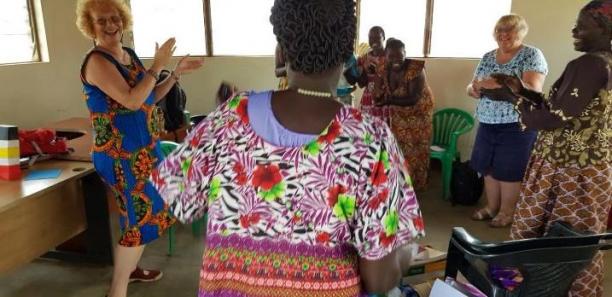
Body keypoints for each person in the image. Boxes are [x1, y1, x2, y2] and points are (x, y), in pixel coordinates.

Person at [152, 0, 424, 296]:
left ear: (281, 47)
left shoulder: (229, 117)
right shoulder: (370, 140)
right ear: (348, 52)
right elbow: (380, 280)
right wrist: (405, 250)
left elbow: (177, 195)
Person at [481, 1, 611, 295]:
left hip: (567, 171)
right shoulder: (606, 62)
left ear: (604, 29)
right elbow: (566, 110)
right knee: (581, 242)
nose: (574, 30)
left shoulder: (589, 64)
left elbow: (552, 118)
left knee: (543, 238)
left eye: (582, 25)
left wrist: (510, 99)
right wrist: (522, 90)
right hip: (593, 169)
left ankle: (530, 290)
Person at [75, 0, 204, 296]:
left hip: (144, 149)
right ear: (89, 26)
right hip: (119, 156)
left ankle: (131, 270)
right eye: (101, 21)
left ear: (123, 20)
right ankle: (116, 290)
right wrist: (157, 65)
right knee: (141, 216)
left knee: (141, 211)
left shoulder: (128, 55)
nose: (110, 25)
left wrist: (174, 74)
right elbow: (130, 100)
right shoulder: (96, 61)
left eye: (114, 18)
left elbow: (148, 96)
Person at [466, 14, 548, 227]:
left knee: (510, 169)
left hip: (517, 123)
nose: (503, 35)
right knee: (488, 167)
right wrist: (474, 89)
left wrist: (492, 85)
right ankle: (491, 207)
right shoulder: (487, 57)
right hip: (487, 120)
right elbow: (473, 84)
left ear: (520, 32)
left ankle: (507, 212)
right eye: (499, 31)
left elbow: (533, 88)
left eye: (509, 31)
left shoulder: (531, 55)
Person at [379, 38, 434, 191]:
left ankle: (414, 188)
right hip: (399, 114)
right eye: (391, 56)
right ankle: (400, 184)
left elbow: (413, 98)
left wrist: (387, 101)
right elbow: (381, 87)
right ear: (386, 55)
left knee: (416, 152)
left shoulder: (415, 69)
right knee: (398, 149)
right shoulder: (384, 67)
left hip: (419, 117)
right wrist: (380, 95)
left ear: (405, 54)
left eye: (400, 55)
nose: (396, 60)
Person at [358, 26, 388, 122]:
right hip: (368, 101)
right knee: (367, 132)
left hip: (384, 101)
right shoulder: (364, 58)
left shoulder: (390, 56)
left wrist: (379, 71)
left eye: (377, 38)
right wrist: (364, 70)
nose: (373, 40)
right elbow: (361, 84)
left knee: (384, 131)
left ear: (383, 37)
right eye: (371, 38)